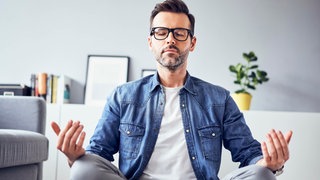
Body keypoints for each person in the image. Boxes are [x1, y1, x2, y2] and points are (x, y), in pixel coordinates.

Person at [51, 0, 293, 179]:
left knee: (263, 175)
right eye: (161, 32)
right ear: (151, 42)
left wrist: (272, 163)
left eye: (179, 33)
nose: (170, 40)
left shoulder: (219, 99)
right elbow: (98, 155)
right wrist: (75, 156)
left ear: (192, 42)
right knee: (83, 169)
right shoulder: (123, 96)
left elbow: (248, 154)